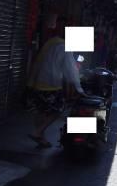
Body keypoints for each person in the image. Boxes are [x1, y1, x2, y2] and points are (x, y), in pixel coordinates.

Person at [27, 17, 85, 148]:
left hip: (37, 83)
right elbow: (71, 70)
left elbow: (38, 61)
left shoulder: (50, 42)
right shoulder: (64, 47)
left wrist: (30, 83)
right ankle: (38, 132)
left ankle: (41, 138)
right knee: (58, 109)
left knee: (42, 111)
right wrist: (79, 89)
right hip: (51, 85)